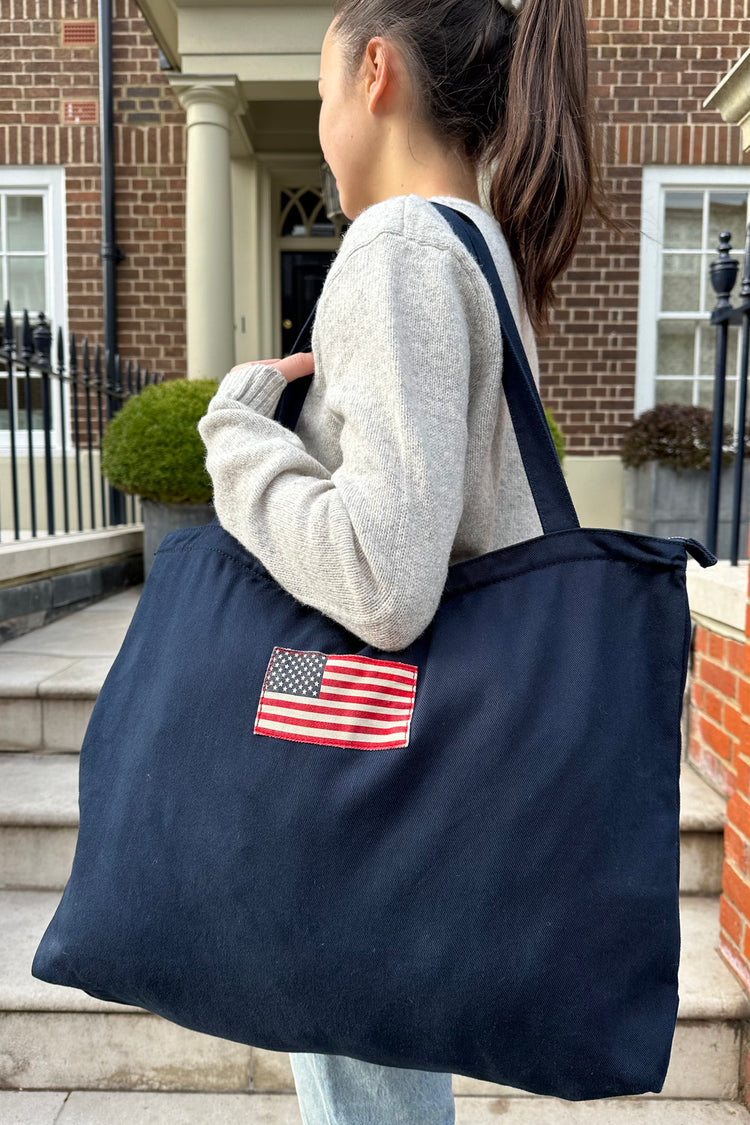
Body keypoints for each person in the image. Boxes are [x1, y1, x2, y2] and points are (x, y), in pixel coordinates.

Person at [197, 0, 607, 1119]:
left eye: (324, 90)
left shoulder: (397, 247)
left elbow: (382, 580)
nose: (323, 121)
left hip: (361, 764)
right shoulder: (477, 249)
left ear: (375, 73)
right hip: (406, 743)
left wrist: (237, 437)